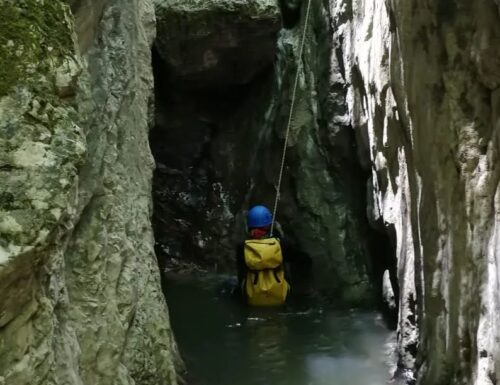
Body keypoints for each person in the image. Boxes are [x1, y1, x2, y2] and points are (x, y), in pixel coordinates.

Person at [236, 205, 290, 306]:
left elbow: (241, 275)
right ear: (269, 225)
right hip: (280, 295)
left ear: (248, 226)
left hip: (252, 298)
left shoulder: (242, 247)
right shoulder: (281, 244)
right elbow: (303, 260)